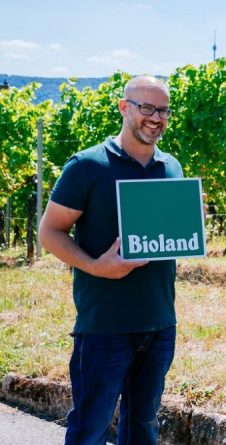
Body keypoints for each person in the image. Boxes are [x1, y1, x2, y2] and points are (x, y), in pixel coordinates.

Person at [39, 76, 182, 444]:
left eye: (163, 110)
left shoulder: (172, 168)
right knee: (90, 429)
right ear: (124, 108)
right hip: (105, 325)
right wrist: (95, 266)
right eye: (146, 108)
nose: (156, 117)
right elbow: (50, 232)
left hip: (159, 323)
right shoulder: (87, 166)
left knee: (142, 429)